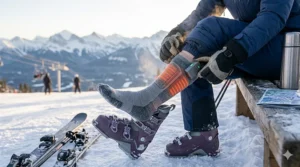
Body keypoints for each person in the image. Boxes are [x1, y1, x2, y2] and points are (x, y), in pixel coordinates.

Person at [93, 0, 300, 158]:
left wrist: (231, 53)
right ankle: (202, 134)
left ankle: (147, 105)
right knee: (192, 49)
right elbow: (202, 13)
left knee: (210, 30)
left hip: (288, 50)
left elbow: (273, 17)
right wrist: (178, 34)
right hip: (258, 46)